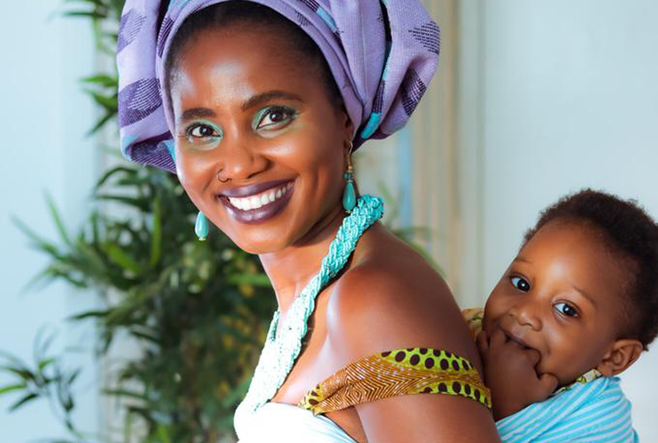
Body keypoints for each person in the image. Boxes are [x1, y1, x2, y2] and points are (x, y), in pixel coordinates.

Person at [117, 1, 500, 441]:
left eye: (273, 116)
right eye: (203, 130)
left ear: (343, 119)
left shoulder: (372, 299)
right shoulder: (316, 298)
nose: (239, 165)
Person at [465, 189, 658, 442]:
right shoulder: (468, 327)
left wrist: (508, 409)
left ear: (614, 357)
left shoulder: (599, 420)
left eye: (566, 309)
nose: (524, 312)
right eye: (521, 283)